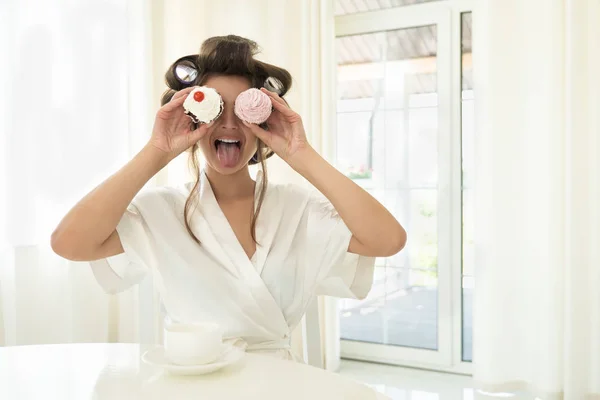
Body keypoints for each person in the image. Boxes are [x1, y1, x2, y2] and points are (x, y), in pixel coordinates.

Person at [51, 35, 407, 361]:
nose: (230, 124)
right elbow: (70, 243)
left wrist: (301, 153)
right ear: (194, 116)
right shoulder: (161, 210)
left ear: (262, 120)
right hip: (194, 384)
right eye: (216, 108)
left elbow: (388, 240)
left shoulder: (296, 208)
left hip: (277, 386)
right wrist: (156, 151)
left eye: (244, 109)